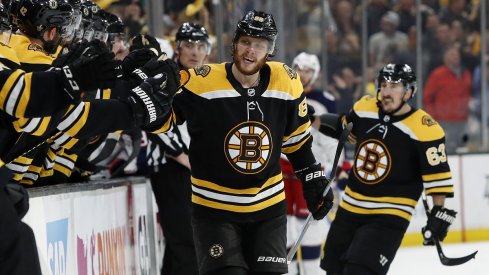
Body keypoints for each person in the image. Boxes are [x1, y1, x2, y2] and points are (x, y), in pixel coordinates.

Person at [153, 10, 334, 275]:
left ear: (269, 50)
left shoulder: (287, 81)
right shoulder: (201, 81)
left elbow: (296, 144)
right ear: (234, 43)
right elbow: (160, 122)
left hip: (267, 208)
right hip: (215, 210)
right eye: (246, 42)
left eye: (259, 45)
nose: (251, 51)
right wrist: (149, 95)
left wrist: (313, 179)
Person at [316, 64, 456, 275]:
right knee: (333, 269)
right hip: (350, 207)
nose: (386, 91)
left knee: (359, 271)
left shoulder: (426, 129)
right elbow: (344, 129)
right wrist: (308, 119)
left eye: (394, 86)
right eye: (383, 85)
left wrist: (438, 212)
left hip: (389, 214)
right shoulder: (365, 108)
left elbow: (437, 177)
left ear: (409, 92)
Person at [146, 22, 211, 275]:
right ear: (177, 48)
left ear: (208, 50)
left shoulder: (209, 81)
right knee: (187, 242)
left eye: (200, 46)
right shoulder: (166, 77)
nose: (194, 52)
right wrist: (184, 157)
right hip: (171, 169)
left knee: (182, 245)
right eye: (188, 45)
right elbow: (154, 119)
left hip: (197, 170)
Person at [281, 52, 339, 275]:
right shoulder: (284, 93)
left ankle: (313, 271)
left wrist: (334, 168)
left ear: (315, 74)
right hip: (284, 168)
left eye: (308, 70)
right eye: (300, 68)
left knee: (312, 225)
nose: (303, 75)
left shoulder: (325, 100)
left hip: (313, 170)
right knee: (285, 225)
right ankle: (290, 271)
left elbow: (333, 139)